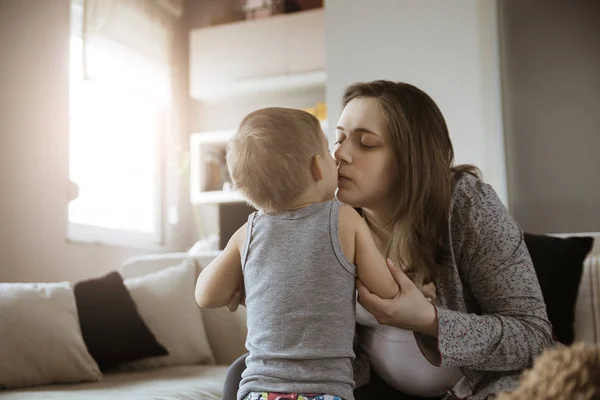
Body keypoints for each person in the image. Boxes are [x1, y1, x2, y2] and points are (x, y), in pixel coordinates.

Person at [222, 81, 554, 400]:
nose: (340, 156)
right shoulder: (325, 218)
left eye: (365, 143)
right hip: (369, 384)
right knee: (243, 376)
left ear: (412, 158)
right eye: (336, 140)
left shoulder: (468, 205)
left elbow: (533, 339)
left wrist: (429, 320)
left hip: (476, 388)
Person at [195, 107, 435, 400]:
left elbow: (206, 297)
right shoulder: (343, 219)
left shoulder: (249, 231)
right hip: (324, 390)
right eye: (328, 149)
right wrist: (416, 291)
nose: (337, 157)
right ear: (317, 168)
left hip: (260, 390)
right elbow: (384, 291)